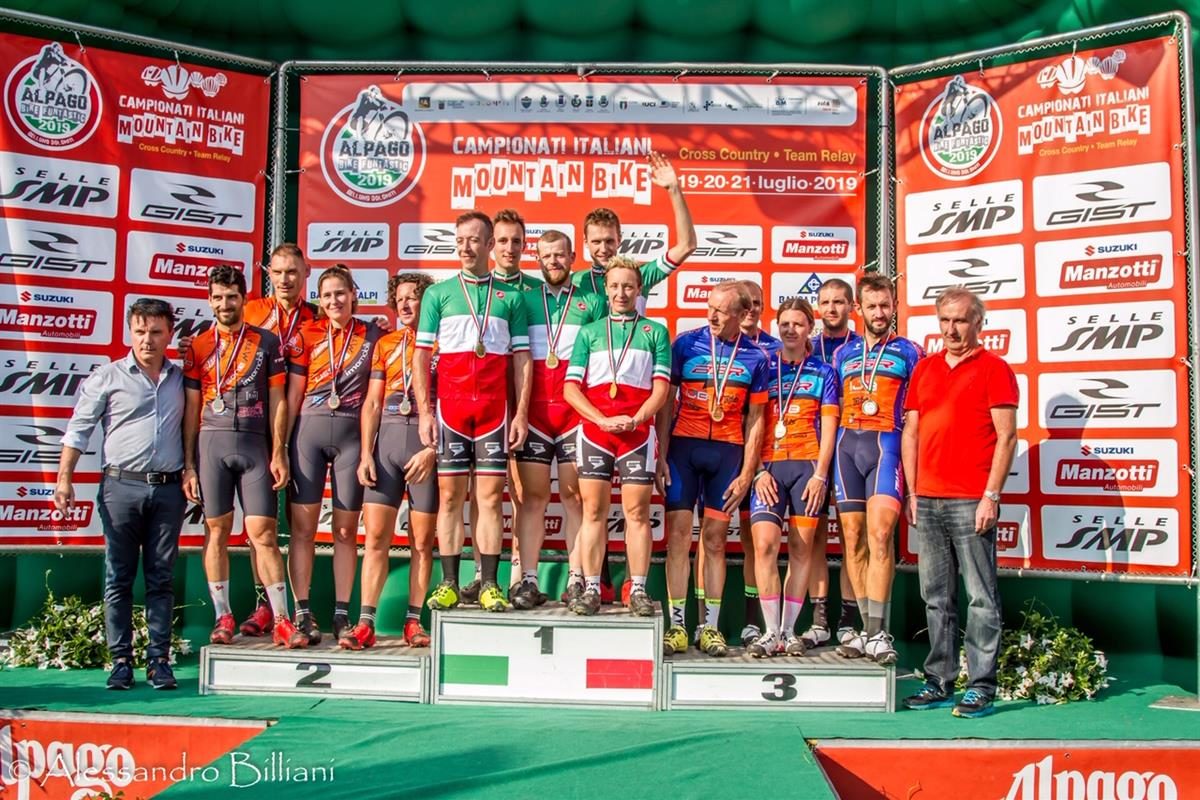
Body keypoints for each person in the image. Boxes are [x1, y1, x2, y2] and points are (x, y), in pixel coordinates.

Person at [568, 150, 697, 603]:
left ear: (620, 239)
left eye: (609, 241)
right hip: (585, 404)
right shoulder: (577, 281)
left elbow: (686, 246)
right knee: (586, 507)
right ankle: (583, 584)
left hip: (635, 405)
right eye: (596, 243)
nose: (603, 250)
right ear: (585, 245)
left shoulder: (638, 274)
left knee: (633, 510)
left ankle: (633, 586)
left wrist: (673, 190)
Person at [178, 243, 318, 638]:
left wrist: (278, 449)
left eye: (232, 297)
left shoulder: (285, 332)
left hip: (265, 439)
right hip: (212, 444)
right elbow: (190, 409)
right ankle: (223, 615)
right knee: (216, 531)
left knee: (265, 533)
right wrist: (188, 464)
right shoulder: (201, 345)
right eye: (219, 298)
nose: (226, 304)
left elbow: (277, 398)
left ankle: (281, 618)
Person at [56, 299, 186, 690]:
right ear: (131, 332)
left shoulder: (181, 379)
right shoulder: (107, 377)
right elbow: (78, 429)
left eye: (156, 332)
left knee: (161, 578)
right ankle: (120, 663)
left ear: (169, 335)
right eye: (140, 331)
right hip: (119, 487)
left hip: (167, 489)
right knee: (119, 578)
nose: (147, 340)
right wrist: (65, 477)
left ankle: (159, 661)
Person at [901, 288, 1017, 718]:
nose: (951, 329)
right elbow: (911, 433)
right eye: (945, 320)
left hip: (972, 500)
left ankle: (981, 685)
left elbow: (1007, 436)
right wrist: (913, 493)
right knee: (936, 596)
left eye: (961, 321)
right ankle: (939, 681)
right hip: (928, 498)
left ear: (978, 323)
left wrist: (991, 495)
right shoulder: (925, 369)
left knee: (981, 597)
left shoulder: (995, 369)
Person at [416, 210, 531, 612]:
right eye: (460, 240)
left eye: (474, 240)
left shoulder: (511, 297)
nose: (466, 247)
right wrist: (426, 413)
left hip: (492, 413)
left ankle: (489, 584)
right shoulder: (438, 293)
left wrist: (519, 415)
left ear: (489, 245)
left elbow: (522, 360)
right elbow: (420, 356)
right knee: (450, 498)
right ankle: (449, 581)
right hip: (451, 412)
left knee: (489, 499)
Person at [659, 281, 769, 657]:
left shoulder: (756, 358)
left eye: (721, 311)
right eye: (709, 307)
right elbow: (664, 404)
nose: (712, 315)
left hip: (727, 455)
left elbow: (756, 419)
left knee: (716, 542)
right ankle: (676, 626)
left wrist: (747, 471)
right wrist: (659, 454)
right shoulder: (685, 345)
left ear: (742, 315)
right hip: (683, 450)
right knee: (677, 537)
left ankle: (710, 627)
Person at [563, 257, 672, 615]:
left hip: (637, 433)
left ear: (639, 289)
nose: (621, 293)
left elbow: (661, 390)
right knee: (593, 511)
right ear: (606, 289)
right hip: (596, 432)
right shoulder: (590, 332)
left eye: (628, 286)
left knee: (637, 513)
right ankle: (592, 587)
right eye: (615, 286)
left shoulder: (655, 332)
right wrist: (600, 419)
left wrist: (637, 418)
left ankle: (638, 587)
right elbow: (571, 389)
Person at [285, 265, 382, 644]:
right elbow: (293, 395)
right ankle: (303, 612)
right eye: (326, 295)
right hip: (307, 432)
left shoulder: (373, 335)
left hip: (351, 436)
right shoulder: (307, 334)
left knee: (344, 530)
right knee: (303, 529)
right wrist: (282, 445)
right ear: (318, 299)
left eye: (340, 293)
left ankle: (342, 613)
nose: (334, 301)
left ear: (353, 293)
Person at [510, 230, 605, 609]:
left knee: (574, 498)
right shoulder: (523, 299)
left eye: (560, 255)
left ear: (572, 257)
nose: (554, 261)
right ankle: (528, 581)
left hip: (573, 414)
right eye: (547, 255)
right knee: (532, 498)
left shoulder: (592, 301)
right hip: (533, 413)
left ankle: (577, 579)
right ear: (538, 258)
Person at [831, 275, 922, 664]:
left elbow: (919, 417)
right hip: (846, 448)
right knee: (852, 540)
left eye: (885, 306)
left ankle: (878, 632)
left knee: (881, 535)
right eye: (872, 307)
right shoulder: (842, 355)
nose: (879, 313)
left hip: (888, 446)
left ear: (895, 306)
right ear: (860, 310)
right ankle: (862, 628)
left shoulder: (910, 351)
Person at [347, 273, 439, 649]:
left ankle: (414, 621)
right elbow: (371, 402)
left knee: (421, 543)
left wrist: (433, 450)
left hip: (423, 445)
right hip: (385, 444)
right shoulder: (385, 343)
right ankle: (365, 621)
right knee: (376, 539)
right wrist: (366, 452)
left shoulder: (444, 344)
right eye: (400, 299)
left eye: (414, 299)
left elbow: (451, 403)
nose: (405, 305)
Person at [745, 299, 839, 657]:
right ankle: (770, 631)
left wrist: (820, 475)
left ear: (810, 328)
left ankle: (789, 630)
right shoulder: (763, 367)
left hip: (806, 467)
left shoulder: (824, 372)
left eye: (798, 324)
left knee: (801, 549)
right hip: (768, 467)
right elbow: (750, 423)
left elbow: (829, 426)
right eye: (784, 323)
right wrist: (754, 472)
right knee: (765, 546)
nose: (789, 330)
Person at [460, 209, 542, 605]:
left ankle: (520, 577)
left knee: (522, 496)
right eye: (504, 240)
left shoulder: (534, 291)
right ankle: (481, 573)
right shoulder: (467, 289)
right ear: (492, 246)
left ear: (526, 247)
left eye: (517, 242)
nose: (510, 248)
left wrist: (523, 412)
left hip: (523, 408)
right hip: (480, 406)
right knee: (482, 495)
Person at [800, 277, 862, 651]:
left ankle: (851, 620)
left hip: (851, 447)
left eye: (839, 302)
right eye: (825, 302)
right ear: (817, 308)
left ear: (851, 307)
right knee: (814, 539)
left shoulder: (861, 346)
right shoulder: (807, 348)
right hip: (811, 449)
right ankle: (819, 620)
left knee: (854, 537)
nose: (832, 309)